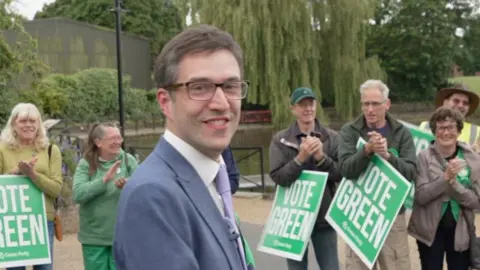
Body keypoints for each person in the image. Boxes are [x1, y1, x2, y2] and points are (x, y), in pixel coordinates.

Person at [113, 24, 254, 270]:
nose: (221, 103)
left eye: (230, 86)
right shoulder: (152, 197)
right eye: (200, 87)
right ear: (166, 102)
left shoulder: (211, 177)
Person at [338, 79, 416, 270]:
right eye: (366, 104)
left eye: (375, 104)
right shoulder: (349, 131)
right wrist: (366, 151)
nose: (370, 109)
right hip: (359, 217)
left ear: (387, 104)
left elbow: (411, 173)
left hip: (392, 216)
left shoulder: (401, 132)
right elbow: (345, 169)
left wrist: (387, 156)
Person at [269, 87, 342, 270]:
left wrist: (321, 158)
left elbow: (341, 174)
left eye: (311, 104)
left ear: (316, 106)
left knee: (331, 267)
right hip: (293, 218)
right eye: (302, 105)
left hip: (323, 217)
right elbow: (278, 177)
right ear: (293, 109)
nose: (307, 109)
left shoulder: (332, 138)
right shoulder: (280, 140)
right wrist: (300, 159)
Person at [408, 106, 480, 270]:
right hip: (429, 231)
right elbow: (421, 196)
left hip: (460, 230)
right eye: (441, 128)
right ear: (434, 131)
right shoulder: (423, 157)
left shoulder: (473, 159)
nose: (446, 132)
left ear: (459, 130)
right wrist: (445, 178)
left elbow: (476, 202)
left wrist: (454, 185)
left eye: (450, 127)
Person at [0, 103, 62, 270]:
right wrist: (16, 173)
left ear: (39, 124)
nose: (28, 125)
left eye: (33, 121)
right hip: (14, 221)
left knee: (44, 268)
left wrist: (33, 175)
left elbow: (56, 189)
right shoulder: (2, 149)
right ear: (14, 124)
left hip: (42, 220)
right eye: (23, 121)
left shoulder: (50, 150)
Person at [72, 122, 138, 270]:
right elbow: (77, 194)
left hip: (123, 236)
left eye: (119, 138)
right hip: (94, 238)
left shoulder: (129, 161)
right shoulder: (86, 163)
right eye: (112, 138)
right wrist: (104, 180)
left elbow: (142, 191)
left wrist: (129, 185)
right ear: (98, 142)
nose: (117, 142)